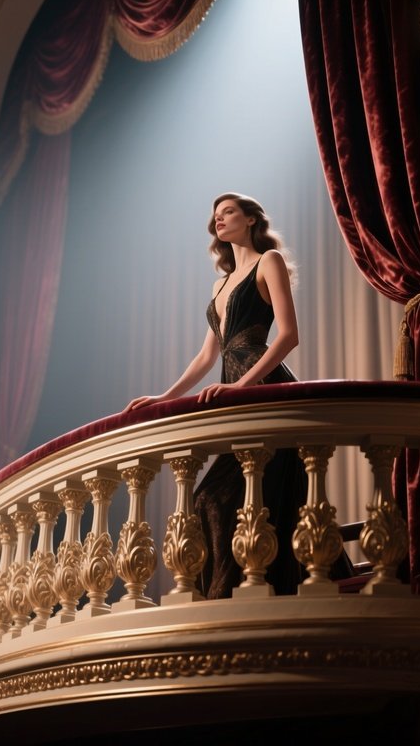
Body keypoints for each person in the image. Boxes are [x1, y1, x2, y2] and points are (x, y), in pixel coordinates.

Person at [126, 192, 343, 597]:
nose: (219, 220)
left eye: (228, 212)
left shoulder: (269, 261)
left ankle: (251, 595)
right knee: (210, 499)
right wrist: (164, 397)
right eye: (216, 216)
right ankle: (233, 596)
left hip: (264, 387)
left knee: (245, 498)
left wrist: (243, 385)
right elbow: (207, 356)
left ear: (251, 219)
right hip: (236, 389)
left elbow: (289, 335)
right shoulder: (220, 283)